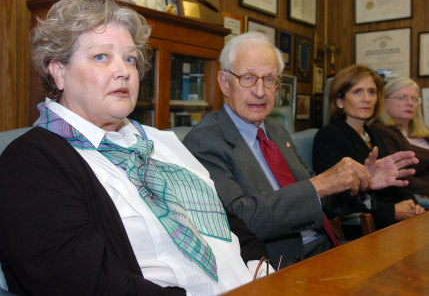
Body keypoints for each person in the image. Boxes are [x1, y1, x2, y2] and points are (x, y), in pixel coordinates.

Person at [0, 0, 270, 295]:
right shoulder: (29, 165)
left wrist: (262, 267)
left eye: (129, 59)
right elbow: (88, 284)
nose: (124, 71)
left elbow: (223, 217)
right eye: (101, 57)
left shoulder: (160, 140)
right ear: (58, 72)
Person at [182, 32, 418, 268]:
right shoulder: (205, 140)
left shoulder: (277, 133)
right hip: (280, 263)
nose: (260, 91)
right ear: (224, 82)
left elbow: (319, 201)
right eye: (248, 78)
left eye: (269, 80)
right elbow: (237, 220)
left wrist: (360, 181)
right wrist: (321, 184)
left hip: (329, 248)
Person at [313, 65, 425, 233]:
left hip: (396, 223)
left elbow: (396, 177)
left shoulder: (371, 132)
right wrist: (392, 212)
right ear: (339, 101)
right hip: (366, 229)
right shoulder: (329, 136)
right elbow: (334, 200)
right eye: (357, 92)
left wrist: (411, 203)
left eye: (372, 92)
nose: (367, 99)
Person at [371, 77, 429, 200]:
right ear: (384, 101)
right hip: (415, 199)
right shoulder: (381, 131)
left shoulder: (423, 133)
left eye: (414, 99)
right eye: (402, 97)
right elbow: (401, 177)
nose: (410, 103)